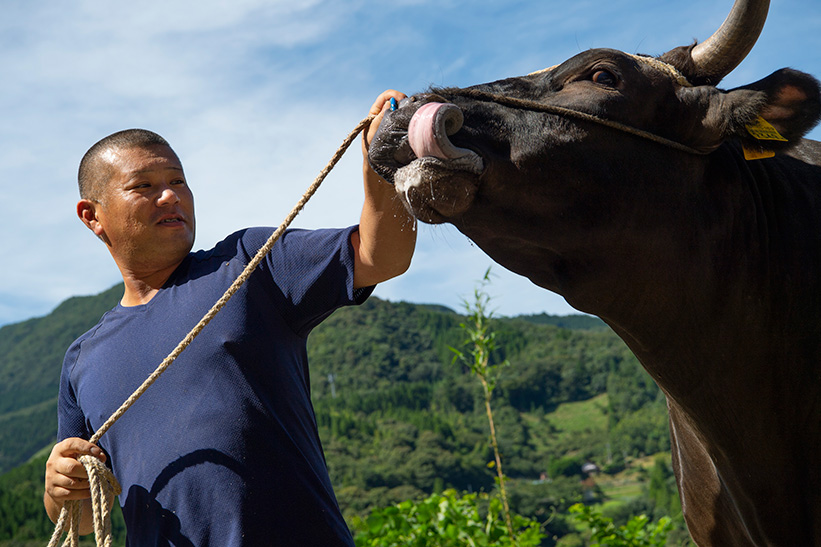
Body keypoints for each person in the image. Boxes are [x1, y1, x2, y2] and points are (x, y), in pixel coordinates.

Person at [43, 90, 415, 546]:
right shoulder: (83, 359)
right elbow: (80, 520)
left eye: (178, 181)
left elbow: (381, 257)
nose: (170, 196)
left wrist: (385, 166)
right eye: (144, 186)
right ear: (92, 216)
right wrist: (60, 485)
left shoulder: (246, 264)